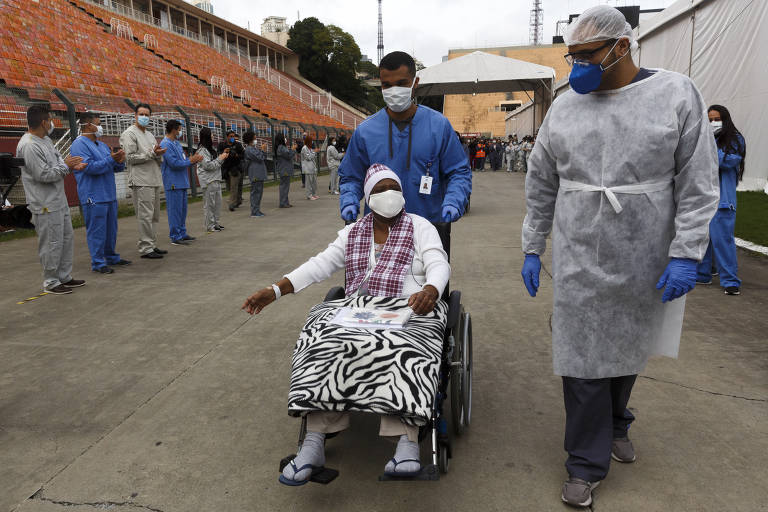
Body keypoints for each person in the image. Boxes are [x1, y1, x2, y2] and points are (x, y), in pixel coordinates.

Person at [520, 5, 719, 507]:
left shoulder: (675, 94)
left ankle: (616, 422)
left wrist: (686, 253)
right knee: (581, 357)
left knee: (628, 346)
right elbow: (541, 182)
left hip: (645, 248)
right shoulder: (564, 108)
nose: (577, 66)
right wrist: (531, 244)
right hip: (578, 249)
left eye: (588, 55)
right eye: (573, 57)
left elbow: (698, 183)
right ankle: (585, 463)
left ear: (621, 47)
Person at [242, 164, 451, 485]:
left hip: (412, 309)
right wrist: (274, 290)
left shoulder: (421, 227)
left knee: (402, 348)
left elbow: (438, 263)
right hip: (362, 311)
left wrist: (431, 289)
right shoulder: (353, 233)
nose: (388, 195)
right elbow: (319, 265)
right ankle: (313, 443)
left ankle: (407, 444)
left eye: (392, 188)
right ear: (368, 198)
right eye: (379, 191)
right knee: (320, 338)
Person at [338, 51, 471, 224]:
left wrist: (454, 201)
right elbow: (352, 176)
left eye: (401, 84)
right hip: (380, 230)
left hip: (429, 227)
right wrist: (349, 199)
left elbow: (458, 171)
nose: (394, 91)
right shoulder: (365, 131)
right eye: (387, 85)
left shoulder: (439, 126)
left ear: (415, 83)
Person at [17, 105, 88, 294]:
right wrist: (66, 165)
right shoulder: (29, 145)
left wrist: (72, 166)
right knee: (51, 242)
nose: (51, 124)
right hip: (44, 203)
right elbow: (43, 175)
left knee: (66, 238)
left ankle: (64, 275)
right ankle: (51, 281)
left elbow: (57, 163)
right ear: (43, 122)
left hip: (58, 199)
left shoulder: (45, 140)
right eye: (49, 120)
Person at [69, 112, 130, 274]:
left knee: (111, 229)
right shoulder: (79, 145)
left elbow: (111, 166)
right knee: (97, 230)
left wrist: (119, 161)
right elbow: (90, 168)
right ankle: (97, 261)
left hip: (108, 193)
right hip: (93, 195)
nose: (100, 127)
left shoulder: (101, 145)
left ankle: (111, 256)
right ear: (88, 125)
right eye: (98, 123)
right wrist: (111, 160)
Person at [696, 105, 746, 295]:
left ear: (725, 119)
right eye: (709, 120)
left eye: (716, 119)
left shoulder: (735, 139)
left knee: (723, 240)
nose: (713, 123)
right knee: (703, 237)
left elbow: (728, 160)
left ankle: (730, 281)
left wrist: (706, 150)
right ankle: (703, 273)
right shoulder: (708, 139)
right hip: (705, 197)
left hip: (723, 200)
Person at [120, 103, 167, 259]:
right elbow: (130, 157)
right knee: (145, 215)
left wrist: (158, 153)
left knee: (154, 215)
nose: (144, 117)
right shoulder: (129, 134)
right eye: (141, 114)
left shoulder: (149, 135)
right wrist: (151, 154)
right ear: (135, 115)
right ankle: (146, 247)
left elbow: (154, 154)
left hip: (153, 178)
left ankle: (152, 243)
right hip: (141, 180)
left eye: (147, 115)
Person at [159, 120, 203, 246]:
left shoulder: (177, 143)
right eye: (178, 129)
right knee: (174, 210)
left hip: (182, 181)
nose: (180, 132)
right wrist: (190, 161)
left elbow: (183, 160)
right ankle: (175, 235)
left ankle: (182, 233)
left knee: (182, 210)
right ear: (173, 129)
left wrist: (193, 160)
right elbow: (174, 164)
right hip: (173, 182)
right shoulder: (165, 144)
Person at [195, 127, 228, 233]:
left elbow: (216, 164)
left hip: (216, 179)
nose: (213, 136)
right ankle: (210, 225)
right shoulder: (202, 150)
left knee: (217, 204)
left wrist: (222, 157)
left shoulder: (210, 149)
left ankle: (216, 223)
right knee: (209, 205)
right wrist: (220, 158)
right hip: (208, 181)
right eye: (211, 134)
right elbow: (208, 166)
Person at [243, 130, 268, 217]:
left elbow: (262, 157)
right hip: (255, 173)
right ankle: (254, 211)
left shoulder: (253, 148)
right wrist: (263, 150)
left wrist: (262, 151)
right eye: (254, 138)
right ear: (250, 139)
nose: (256, 139)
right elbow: (260, 157)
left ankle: (257, 210)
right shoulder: (249, 150)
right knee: (255, 193)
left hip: (259, 173)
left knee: (259, 192)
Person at [218, 130, 244, 212]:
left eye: (233, 136)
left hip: (235, 168)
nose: (232, 138)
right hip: (226, 168)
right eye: (231, 136)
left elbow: (243, 155)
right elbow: (218, 154)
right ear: (227, 137)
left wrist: (236, 155)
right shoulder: (222, 145)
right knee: (229, 187)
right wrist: (224, 152)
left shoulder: (238, 145)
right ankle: (238, 200)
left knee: (234, 187)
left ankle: (232, 204)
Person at [274, 133, 294, 208]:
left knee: (285, 187)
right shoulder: (281, 147)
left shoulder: (281, 147)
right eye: (284, 137)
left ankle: (285, 201)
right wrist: (293, 150)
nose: (285, 138)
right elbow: (288, 156)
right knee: (284, 187)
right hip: (284, 169)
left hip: (284, 168)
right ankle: (283, 203)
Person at [301, 134, 319, 200]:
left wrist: (314, 152)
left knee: (314, 183)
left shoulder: (310, 148)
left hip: (313, 168)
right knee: (308, 183)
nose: (312, 142)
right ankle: (309, 195)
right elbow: (308, 157)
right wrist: (314, 152)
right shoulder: (304, 148)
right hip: (307, 168)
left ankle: (314, 194)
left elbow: (313, 157)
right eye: (311, 141)